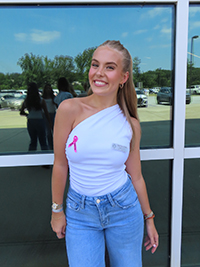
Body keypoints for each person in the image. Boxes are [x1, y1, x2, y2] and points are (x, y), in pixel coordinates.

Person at [50, 40, 159, 267]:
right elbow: (60, 164)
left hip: (124, 208)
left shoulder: (131, 125)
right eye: (94, 65)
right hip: (80, 213)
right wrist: (57, 210)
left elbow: (136, 176)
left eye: (109, 67)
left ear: (123, 77)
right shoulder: (69, 109)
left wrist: (149, 218)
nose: (99, 73)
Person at [20, 82, 51, 152]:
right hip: (40, 120)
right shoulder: (41, 100)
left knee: (33, 141)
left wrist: (28, 115)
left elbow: (21, 112)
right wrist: (49, 122)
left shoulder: (27, 101)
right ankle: (45, 156)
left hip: (31, 121)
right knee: (43, 140)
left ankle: (31, 156)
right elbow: (46, 113)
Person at [42, 83, 57, 150]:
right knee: (48, 132)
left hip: (53, 113)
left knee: (55, 130)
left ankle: (55, 145)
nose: (48, 90)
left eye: (49, 88)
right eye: (47, 88)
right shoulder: (43, 98)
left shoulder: (53, 97)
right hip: (45, 114)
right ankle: (50, 146)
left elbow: (57, 105)